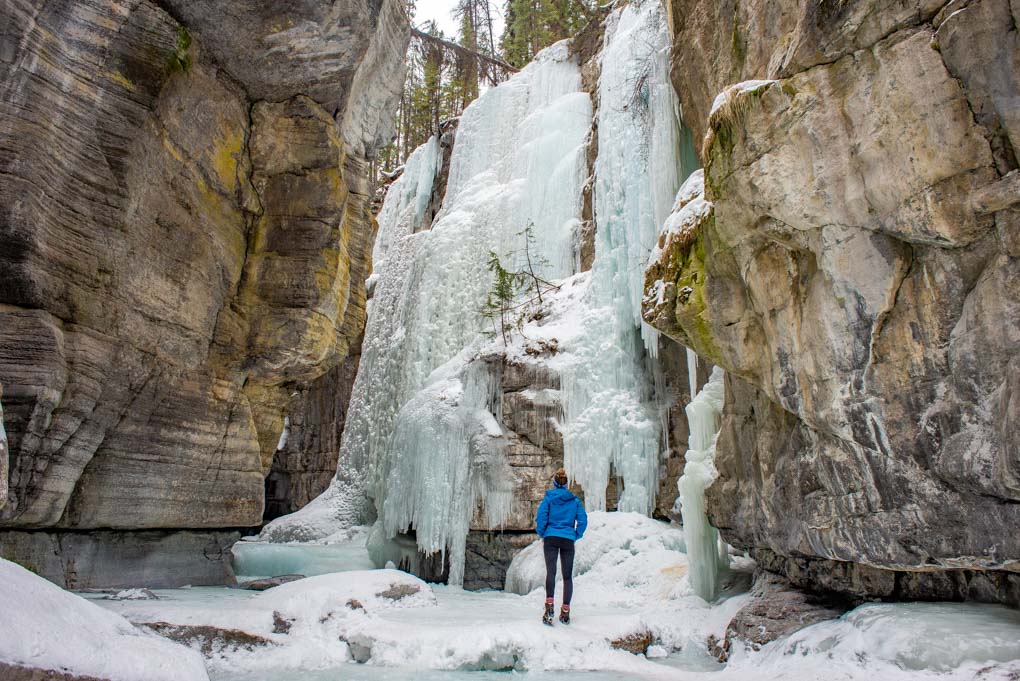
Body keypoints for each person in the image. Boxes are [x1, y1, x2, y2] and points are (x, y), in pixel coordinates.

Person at [534, 467, 587, 625]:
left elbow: (541, 517)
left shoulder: (549, 499)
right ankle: (565, 612)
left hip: (551, 537)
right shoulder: (574, 500)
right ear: (566, 484)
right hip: (567, 540)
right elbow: (583, 520)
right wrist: (575, 534)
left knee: (551, 572)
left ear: (555, 483)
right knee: (567, 576)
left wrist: (543, 533)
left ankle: (549, 607)